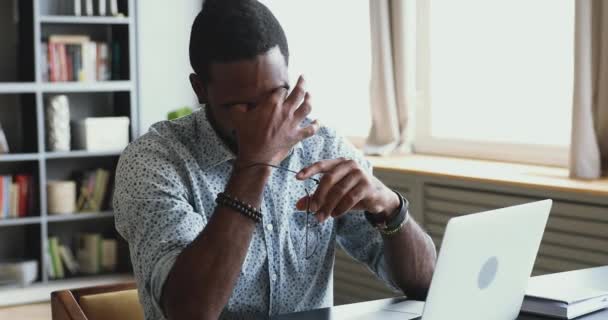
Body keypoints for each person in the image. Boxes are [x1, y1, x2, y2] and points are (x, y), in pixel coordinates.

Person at [113, 0, 437, 319]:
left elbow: (426, 284)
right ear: (200, 89)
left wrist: (390, 208)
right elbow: (189, 311)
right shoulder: (153, 161)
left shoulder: (320, 145)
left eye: (276, 95)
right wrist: (255, 163)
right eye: (244, 106)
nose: (268, 120)